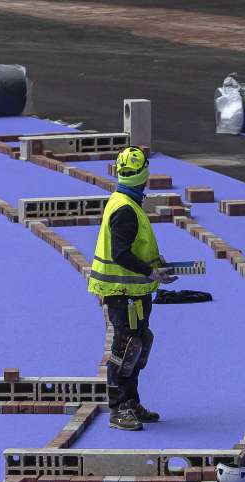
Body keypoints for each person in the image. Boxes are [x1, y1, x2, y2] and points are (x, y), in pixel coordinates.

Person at [87, 146, 177, 430]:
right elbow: (120, 254)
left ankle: (131, 402)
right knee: (126, 348)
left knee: (138, 344)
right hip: (122, 292)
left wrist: (156, 263)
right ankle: (119, 408)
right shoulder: (126, 209)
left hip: (134, 292)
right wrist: (151, 271)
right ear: (145, 175)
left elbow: (134, 248)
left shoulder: (125, 201)